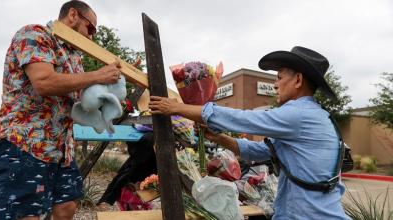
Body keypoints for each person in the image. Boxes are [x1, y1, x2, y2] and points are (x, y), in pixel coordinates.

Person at [149, 46, 350, 219]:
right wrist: (218, 137)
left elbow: (243, 119)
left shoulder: (299, 115)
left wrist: (175, 108)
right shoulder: (312, 116)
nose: (275, 84)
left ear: (298, 80)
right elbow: (260, 151)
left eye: (279, 77)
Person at [0, 1, 123, 219]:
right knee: (25, 214)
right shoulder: (34, 34)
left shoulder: (74, 57)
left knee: (67, 207)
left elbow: (72, 101)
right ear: (73, 15)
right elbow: (44, 82)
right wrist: (99, 75)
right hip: (25, 143)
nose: (91, 37)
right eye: (90, 28)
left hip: (61, 149)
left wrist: (103, 105)